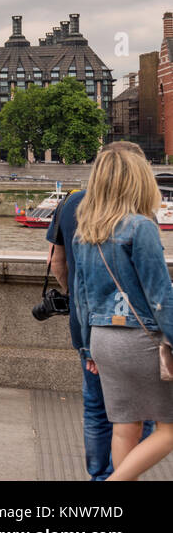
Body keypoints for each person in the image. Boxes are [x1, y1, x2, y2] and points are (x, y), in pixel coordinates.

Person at [46, 142, 155, 480]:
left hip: (87, 324)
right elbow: (151, 285)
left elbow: (55, 262)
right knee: (145, 415)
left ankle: (99, 475)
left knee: (96, 406)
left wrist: (77, 300)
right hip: (134, 329)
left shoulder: (70, 203)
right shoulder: (138, 215)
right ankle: (120, 474)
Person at [73, 143, 173, 481]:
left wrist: (87, 347)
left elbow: (81, 297)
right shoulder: (140, 227)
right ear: (139, 182)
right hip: (139, 339)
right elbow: (160, 296)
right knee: (169, 428)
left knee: (125, 427)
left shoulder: (85, 230)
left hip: (102, 339)